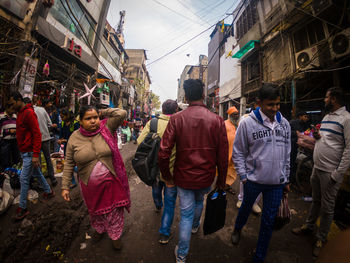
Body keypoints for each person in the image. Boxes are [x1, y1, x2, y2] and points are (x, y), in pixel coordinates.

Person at [158, 79, 228, 263]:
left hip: (183, 177)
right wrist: (221, 180)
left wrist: (167, 177)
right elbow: (223, 155)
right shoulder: (217, 120)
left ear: (186, 97)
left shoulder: (176, 119)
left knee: (185, 214)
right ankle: (196, 226)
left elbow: (163, 152)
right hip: (206, 177)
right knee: (199, 203)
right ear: (204, 95)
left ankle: (181, 255)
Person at [231, 83, 291, 263]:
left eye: (277, 104)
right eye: (270, 104)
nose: (274, 108)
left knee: (268, 221)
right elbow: (238, 152)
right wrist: (243, 176)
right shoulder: (247, 123)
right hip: (253, 181)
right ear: (259, 103)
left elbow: (287, 153)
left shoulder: (284, 124)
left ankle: (260, 256)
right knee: (245, 208)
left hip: (276, 184)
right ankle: (237, 228)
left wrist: (286, 178)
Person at [292, 87, 350, 257]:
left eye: (326, 97)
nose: (324, 100)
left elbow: (348, 150)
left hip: (330, 171)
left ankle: (321, 238)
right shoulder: (326, 118)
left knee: (327, 207)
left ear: (334, 99)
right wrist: (317, 136)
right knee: (316, 201)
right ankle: (309, 227)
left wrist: (338, 174)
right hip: (317, 168)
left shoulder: (346, 119)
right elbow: (326, 140)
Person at [61, 105, 130, 250]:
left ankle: (115, 236)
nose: (93, 121)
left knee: (113, 213)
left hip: (111, 184)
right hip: (90, 188)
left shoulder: (107, 128)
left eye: (95, 118)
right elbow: (68, 163)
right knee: (96, 214)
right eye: (88, 118)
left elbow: (121, 113)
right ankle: (100, 230)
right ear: (80, 121)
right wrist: (65, 186)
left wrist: (102, 112)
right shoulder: (74, 138)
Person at [6, 92, 54, 220]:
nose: (11, 106)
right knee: (37, 173)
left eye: (12, 103)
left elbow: (37, 134)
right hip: (25, 152)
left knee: (23, 179)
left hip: (30, 153)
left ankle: (22, 208)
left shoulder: (28, 113)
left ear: (18, 100)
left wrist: (35, 155)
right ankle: (49, 191)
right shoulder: (20, 113)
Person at [137, 99, 178, 244]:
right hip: (172, 172)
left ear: (162, 109)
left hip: (155, 168)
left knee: (156, 189)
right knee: (170, 202)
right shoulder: (179, 123)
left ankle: (157, 204)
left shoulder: (152, 123)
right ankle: (164, 234)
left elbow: (139, 142)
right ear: (175, 110)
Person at [236, 101, 262, 214]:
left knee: (261, 181)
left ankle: (254, 202)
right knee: (245, 180)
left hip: (262, 157)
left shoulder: (272, 119)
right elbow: (240, 140)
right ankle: (241, 198)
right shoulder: (245, 119)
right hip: (248, 156)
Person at [33, 99, 58, 187]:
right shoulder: (42, 110)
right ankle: (53, 179)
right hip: (45, 138)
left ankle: (41, 183)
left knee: (38, 161)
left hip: (35, 140)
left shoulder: (29, 111)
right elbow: (49, 124)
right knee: (48, 159)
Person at [289, 111, 309, 184]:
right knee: (291, 161)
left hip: (299, 145)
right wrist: (296, 133)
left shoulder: (305, 124)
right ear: (300, 116)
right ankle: (290, 179)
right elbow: (287, 132)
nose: (306, 118)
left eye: (307, 117)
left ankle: (294, 178)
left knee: (295, 162)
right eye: (305, 116)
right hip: (292, 145)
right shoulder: (293, 122)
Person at [223, 106, 239, 194]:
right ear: (229, 115)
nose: (236, 116)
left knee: (232, 170)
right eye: (234, 114)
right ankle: (222, 186)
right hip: (226, 152)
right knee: (224, 170)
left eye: (237, 114)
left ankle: (227, 186)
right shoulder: (224, 124)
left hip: (236, 153)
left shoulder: (239, 124)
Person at [0, 104, 21, 172]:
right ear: (7, 108)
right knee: (5, 160)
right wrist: (8, 131)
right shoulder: (1, 116)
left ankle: (15, 176)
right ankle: (6, 176)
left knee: (16, 159)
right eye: (12, 109)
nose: (13, 111)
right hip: (5, 142)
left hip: (14, 140)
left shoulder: (15, 116)